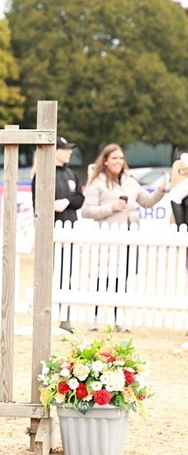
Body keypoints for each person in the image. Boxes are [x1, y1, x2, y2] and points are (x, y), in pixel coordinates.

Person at [80, 143, 168, 331]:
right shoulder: (97, 183)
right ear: (105, 161)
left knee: (123, 278)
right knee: (101, 278)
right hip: (107, 238)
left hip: (128, 236)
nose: (119, 162)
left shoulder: (130, 180)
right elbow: (86, 211)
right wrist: (111, 208)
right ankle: (94, 318)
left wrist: (160, 191)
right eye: (114, 158)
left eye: (121, 158)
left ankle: (118, 320)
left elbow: (146, 202)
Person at [52, 136, 85, 331]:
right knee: (53, 274)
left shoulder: (72, 174)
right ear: (56, 151)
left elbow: (80, 198)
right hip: (53, 230)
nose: (70, 152)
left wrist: (67, 202)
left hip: (70, 228)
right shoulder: (44, 174)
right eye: (66, 149)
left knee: (67, 274)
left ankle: (65, 318)